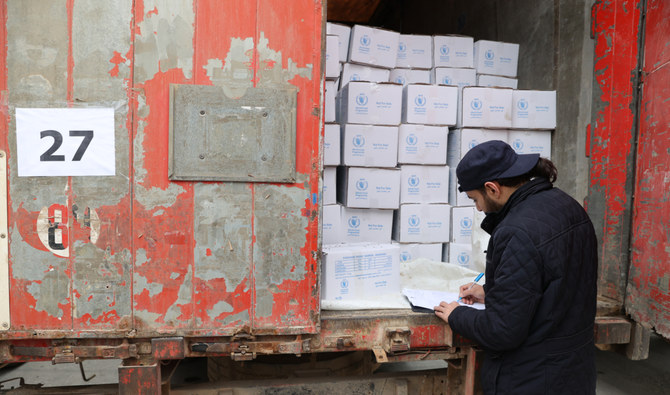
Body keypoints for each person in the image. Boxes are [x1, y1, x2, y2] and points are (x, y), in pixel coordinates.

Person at [434, 140, 598, 394]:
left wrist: (457, 315)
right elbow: (556, 282)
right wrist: (494, 291)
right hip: (574, 371)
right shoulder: (568, 205)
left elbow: (502, 331)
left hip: (533, 378)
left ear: (492, 188)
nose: (477, 207)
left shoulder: (516, 232)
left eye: (474, 199)